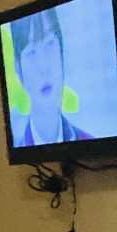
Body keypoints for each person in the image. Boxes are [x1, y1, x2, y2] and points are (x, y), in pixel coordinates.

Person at [11, 9, 93, 147]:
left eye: (50, 44)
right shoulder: (18, 149)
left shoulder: (88, 143)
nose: (43, 67)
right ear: (17, 68)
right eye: (31, 52)